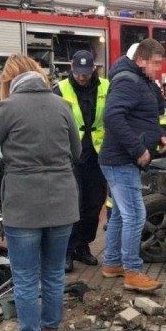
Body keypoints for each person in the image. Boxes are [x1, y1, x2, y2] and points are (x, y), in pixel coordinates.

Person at [0, 54, 81, 331]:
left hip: (23, 207)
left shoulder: (7, 109)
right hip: (62, 204)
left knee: (25, 278)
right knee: (53, 276)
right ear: (38, 76)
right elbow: (77, 153)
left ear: (9, 81)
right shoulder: (62, 106)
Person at [98, 38, 166, 293]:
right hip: (121, 160)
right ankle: (132, 271)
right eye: (155, 63)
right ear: (141, 60)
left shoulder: (142, 81)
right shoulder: (128, 81)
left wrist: (159, 133)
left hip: (121, 160)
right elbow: (113, 117)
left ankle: (112, 263)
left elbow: (146, 115)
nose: (158, 69)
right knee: (136, 215)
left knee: (119, 213)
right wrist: (138, 149)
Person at [53, 50, 109, 273]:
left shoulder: (106, 86)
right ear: (71, 67)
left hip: (97, 153)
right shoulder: (60, 89)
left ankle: (83, 246)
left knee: (93, 204)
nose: (82, 77)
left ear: (93, 68)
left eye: (86, 73)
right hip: (71, 155)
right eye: (78, 73)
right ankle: (66, 250)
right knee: (72, 204)